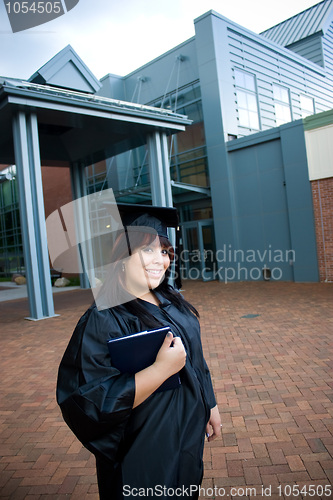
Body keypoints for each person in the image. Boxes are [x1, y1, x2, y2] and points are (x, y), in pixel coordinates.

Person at [56, 204, 221, 499]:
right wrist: (159, 371)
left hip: (186, 438)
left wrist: (210, 404)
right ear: (121, 257)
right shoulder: (104, 318)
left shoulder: (171, 299)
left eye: (164, 251)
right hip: (143, 450)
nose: (160, 260)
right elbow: (90, 401)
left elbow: (196, 358)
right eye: (147, 250)